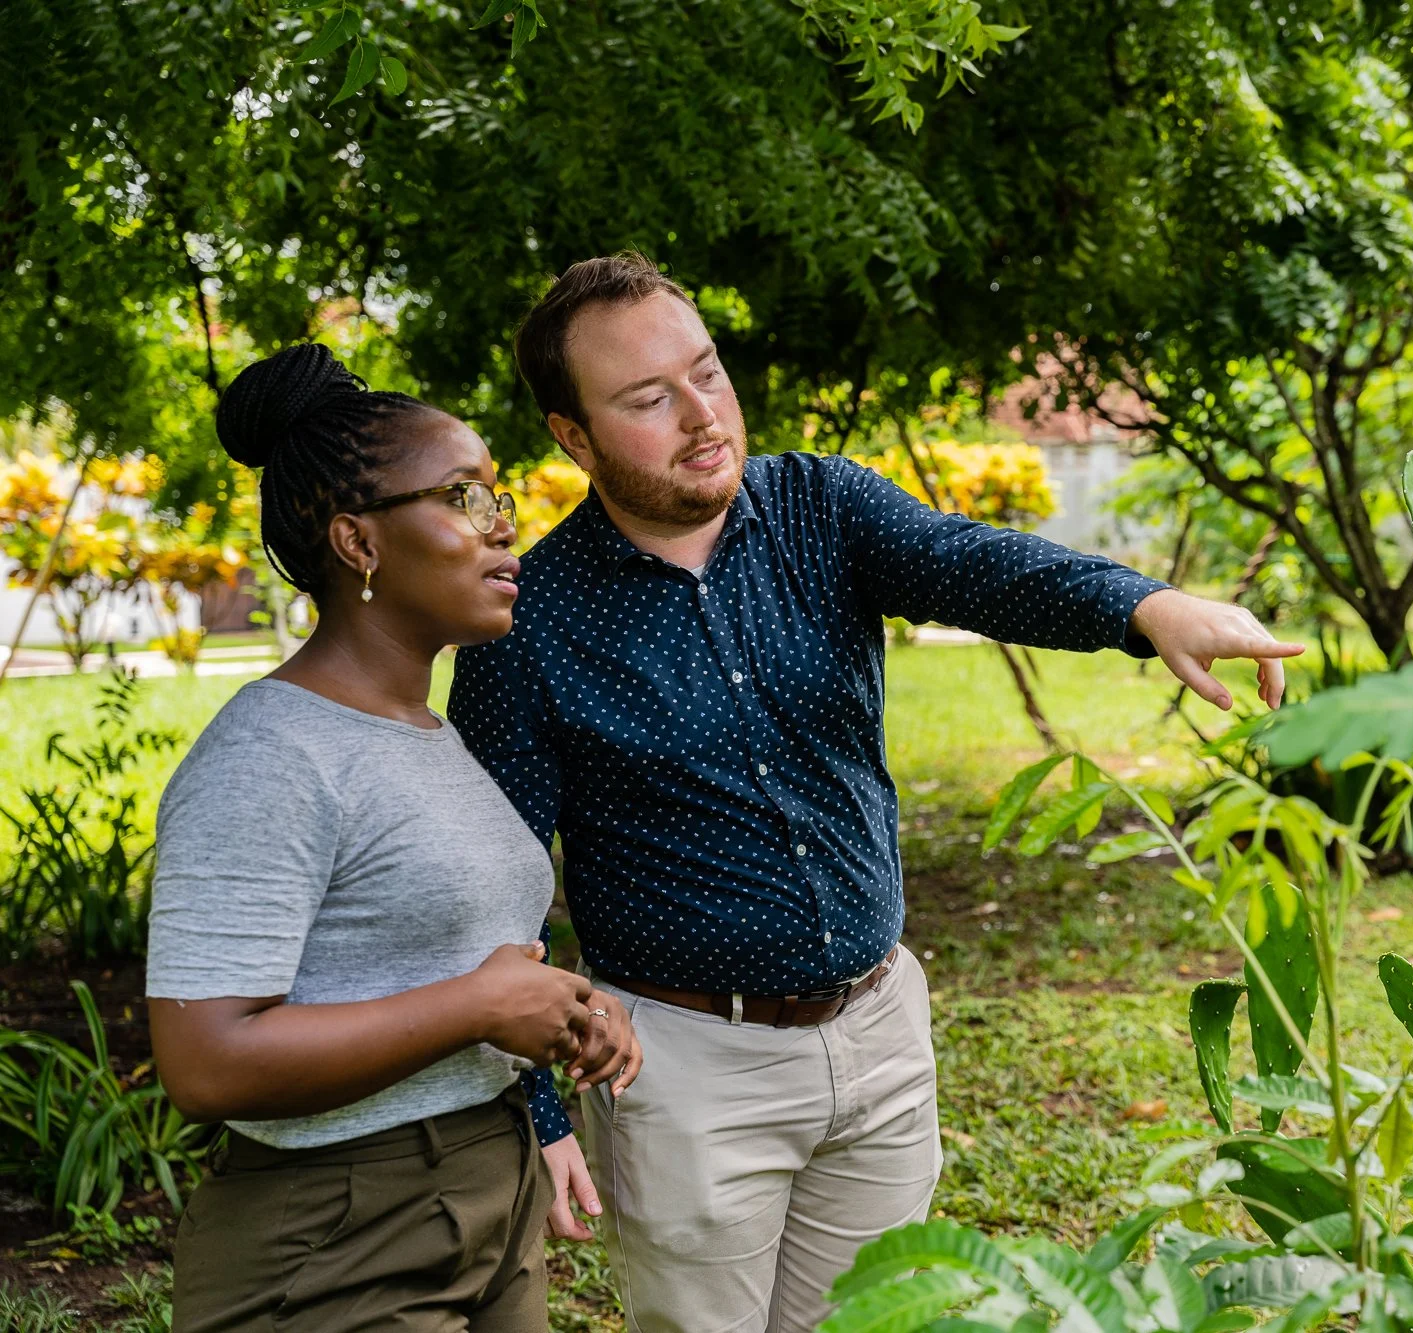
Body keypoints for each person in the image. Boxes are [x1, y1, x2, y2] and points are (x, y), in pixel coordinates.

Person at [448, 251, 1304, 1333]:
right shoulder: (527, 624)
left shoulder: (820, 506)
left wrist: (1145, 608)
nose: (702, 414)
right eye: (646, 399)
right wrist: (541, 1109)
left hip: (879, 1033)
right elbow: (495, 889)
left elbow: (970, 563)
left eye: (706, 372)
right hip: (684, 1070)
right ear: (572, 435)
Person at [146, 343, 643, 1333]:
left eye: (499, 497)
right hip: (336, 1239)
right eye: (464, 498)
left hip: (486, 1193)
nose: (506, 528)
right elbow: (205, 1061)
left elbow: (424, 964)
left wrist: (560, 1009)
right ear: (357, 542)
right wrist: (478, 1004)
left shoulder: (427, 732)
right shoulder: (270, 752)